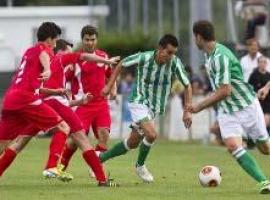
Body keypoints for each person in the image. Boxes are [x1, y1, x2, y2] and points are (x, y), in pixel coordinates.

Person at [99, 34, 192, 182]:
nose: (171, 56)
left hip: (154, 108)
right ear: (160, 49)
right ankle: (140, 165)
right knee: (152, 134)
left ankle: (100, 159)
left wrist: (187, 111)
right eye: (169, 52)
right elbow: (122, 63)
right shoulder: (145, 58)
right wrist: (109, 86)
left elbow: (187, 85)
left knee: (132, 143)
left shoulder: (175, 63)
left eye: (174, 53)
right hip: (138, 101)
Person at [191, 20, 270, 194]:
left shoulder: (221, 57)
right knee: (233, 146)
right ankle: (264, 182)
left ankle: (251, 140)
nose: (194, 41)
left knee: (265, 149)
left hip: (246, 105)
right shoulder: (208, 55)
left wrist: (198, 107)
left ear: (198, 37)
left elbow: (225, 90)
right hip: (227, 110)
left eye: (194, 37)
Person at [39, 39, 119, 186]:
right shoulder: (63, 59)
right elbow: (85, 57)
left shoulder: (45, 62)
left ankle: (54, 167)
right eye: (70, 52)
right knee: (79, 139)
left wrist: (78, 100)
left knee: (19, 140)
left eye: (93, 38)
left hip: (38, 103)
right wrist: (107, 61)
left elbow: (42, 90)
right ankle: (55, 167)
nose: (72, 55)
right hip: (65, 103)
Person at [0, 22, 68, 178]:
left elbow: (33, 85)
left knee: (3, 144)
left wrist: (55, 90)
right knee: (63, 128)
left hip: (11, 99)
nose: (55, 44)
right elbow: (43, 55)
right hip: (26, 99)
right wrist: (48, 68)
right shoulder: (45, 50)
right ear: (49, 39)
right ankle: (51, 167)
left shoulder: (28, 51)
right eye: (55, 40)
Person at [60, 26, 116, 171]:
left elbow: (111, 75)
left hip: (101, 104)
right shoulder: (76, 60)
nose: (90, 43)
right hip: (82, 105)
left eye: (93, 39)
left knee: (104, 135)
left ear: (96, 40)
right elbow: (63, 79)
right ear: (82, 40)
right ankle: (61, 165)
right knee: (74, 141)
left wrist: (113, 89)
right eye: (87, 40)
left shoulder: (103, 56)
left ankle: (96, 166)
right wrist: (65, 94)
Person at [248, 55, 270, 129]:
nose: (263, 64)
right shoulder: (253, 75)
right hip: (256, 104)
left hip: (267, 103)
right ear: (258, 63)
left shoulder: (268, 75)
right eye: (261, 62)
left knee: (264, 124)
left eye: (264, 62)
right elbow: (249, 89)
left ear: (266, 63)